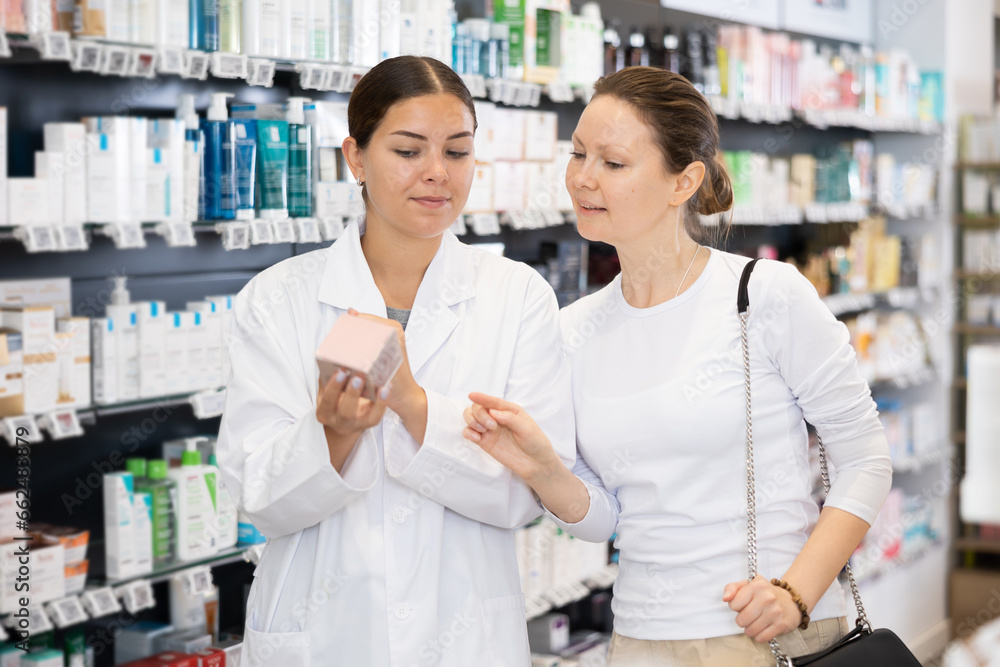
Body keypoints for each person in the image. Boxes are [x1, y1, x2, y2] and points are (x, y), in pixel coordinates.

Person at [463, 66, 893, 666]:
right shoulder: (573, 329)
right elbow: (605, 518)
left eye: (612, 164)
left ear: (683, 181)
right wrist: (544, 472)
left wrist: (797, 591)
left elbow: (865, 457)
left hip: (771, 636)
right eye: (578, 154)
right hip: (640, 637)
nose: (584, 179)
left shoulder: (762, 296)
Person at [216, 55, 574, 666]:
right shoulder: (279, 299)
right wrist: (331, 434)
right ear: (355, 158)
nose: (436, 173)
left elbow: (528, 493)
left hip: (464, 635)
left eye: (456, 152)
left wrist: (413, 406)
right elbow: (255, 498)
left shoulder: (518, 298)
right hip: (323, 633)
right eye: (408, 151)